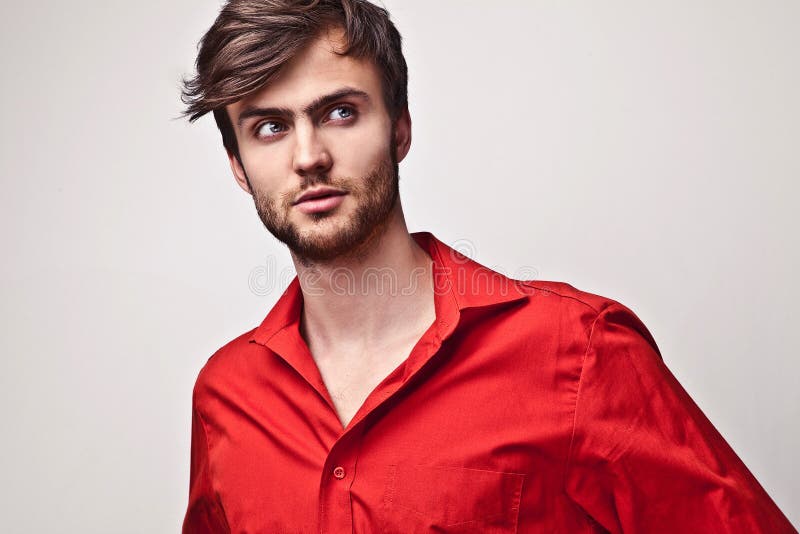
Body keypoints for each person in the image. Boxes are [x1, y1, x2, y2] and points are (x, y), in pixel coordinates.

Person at [179, 1, 796, 532]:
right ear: (238, 166)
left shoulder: (578, 354)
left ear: (399, 128)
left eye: (340, 112)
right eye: (269, 127)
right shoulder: (225, 397)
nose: (309, 156)